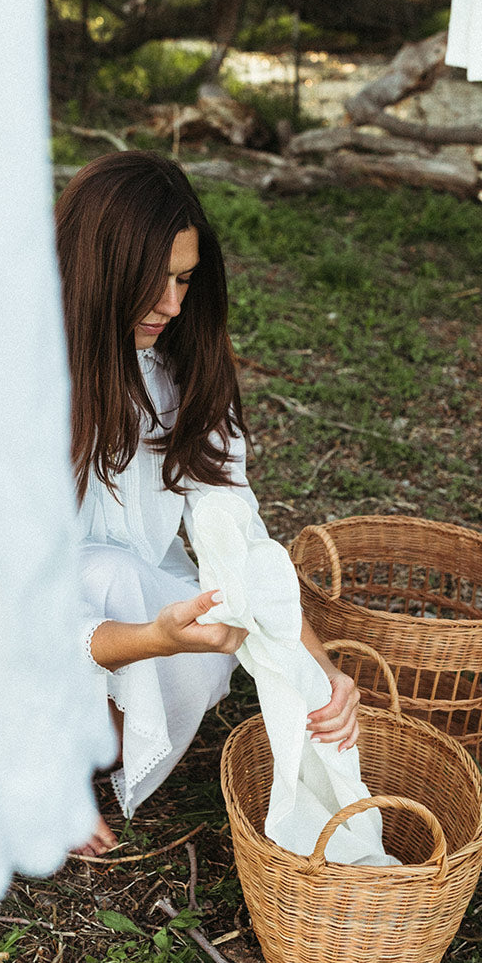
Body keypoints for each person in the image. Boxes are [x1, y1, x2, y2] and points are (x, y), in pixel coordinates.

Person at [54, 151, 360, 853]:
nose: (171, 305)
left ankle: (81, 748)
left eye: (185, 279)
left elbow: (238, 539)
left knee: (215, 629)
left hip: (111, 621)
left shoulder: (177, 375)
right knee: (111, 575)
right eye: (151, 280)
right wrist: (152, 639)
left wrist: (323, 673)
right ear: (97, 271)